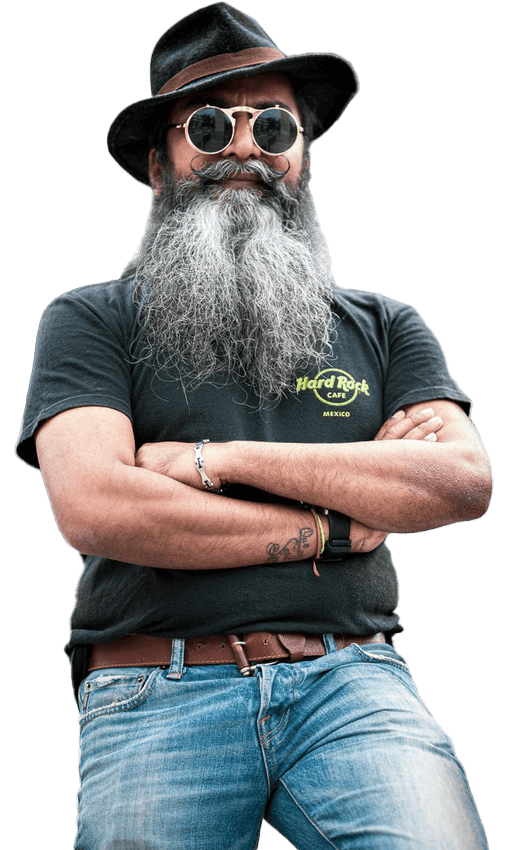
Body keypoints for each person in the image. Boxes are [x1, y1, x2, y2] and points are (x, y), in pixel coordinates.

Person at [16, 3, 492, 848]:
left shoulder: (387, 325)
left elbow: (459, 483)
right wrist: (337, 524)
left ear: (300, 157)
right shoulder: (90, 320)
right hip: (156, 685)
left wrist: (211, 459)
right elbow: (97, 506)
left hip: (354, 683)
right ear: (160, 165)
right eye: (209, 125)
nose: (246, 147)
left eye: (274, 126)